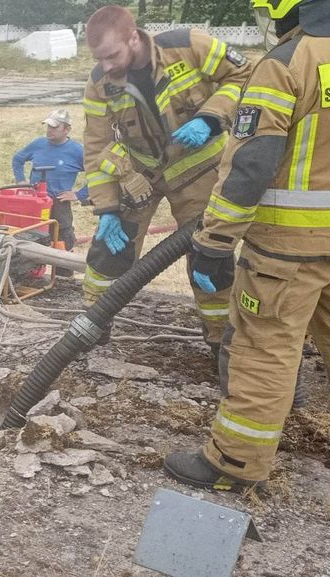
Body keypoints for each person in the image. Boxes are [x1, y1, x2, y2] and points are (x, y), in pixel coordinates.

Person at [164, 0, 330, 492]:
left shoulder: (286, 63)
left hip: (286, 251)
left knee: (264, 349)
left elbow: (252, 165)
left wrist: (216, 241)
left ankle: (233, 463)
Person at [81, 7, 255, 352]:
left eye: (113, 55)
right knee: (106, 256)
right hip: (139, 176)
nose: (108, 66)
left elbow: (246, 75)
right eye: (100, 59)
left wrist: (211, 118)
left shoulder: (188, 46)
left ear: (134, 37)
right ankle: (89, 331)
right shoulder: (100, 82)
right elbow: (96, 146)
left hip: (200, 168)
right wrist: (108, 210)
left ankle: (221, 344)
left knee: (210, 257)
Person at [11, 108, 87, 275]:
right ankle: (31, 273)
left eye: (54, 127)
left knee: (62, 237)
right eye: (48, 126)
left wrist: (79, 194)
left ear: (66, 129)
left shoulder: (76, 151)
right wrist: (21, 181)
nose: (49, 130)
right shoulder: (38, 144)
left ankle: (63, 276)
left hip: (59, 202)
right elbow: (18, 159)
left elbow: (96, 173)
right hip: (35, 202)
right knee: (31, 236)